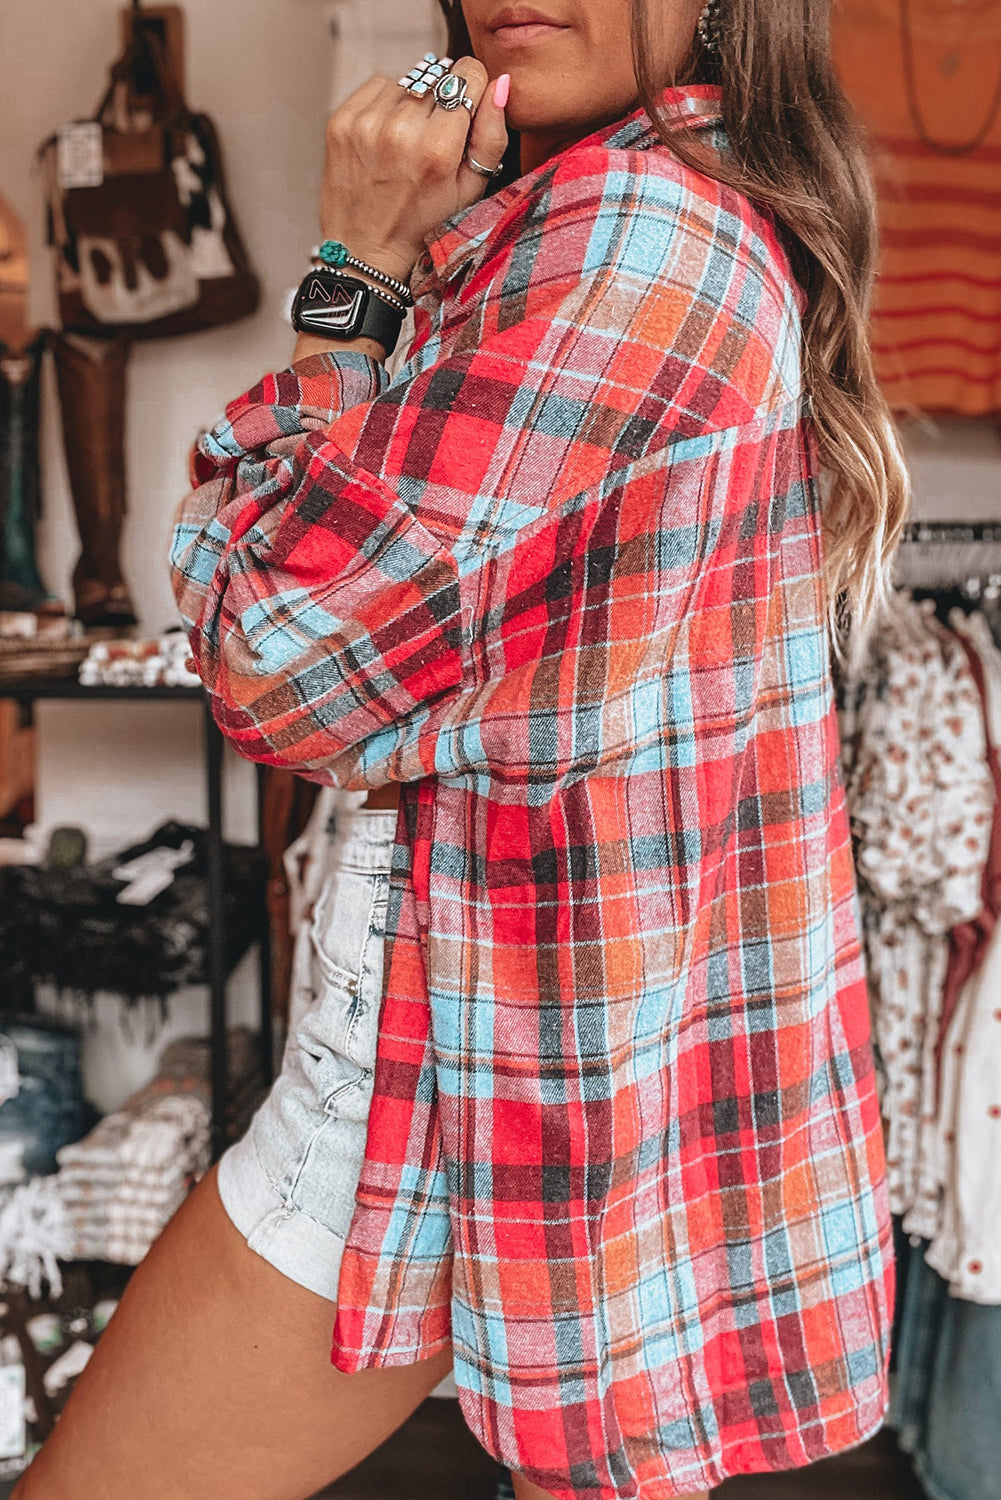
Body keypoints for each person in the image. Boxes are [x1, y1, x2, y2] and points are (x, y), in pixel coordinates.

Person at [15, 1, 908, 1497]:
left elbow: (266, 663)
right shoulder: (622, 212)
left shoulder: (624, 238)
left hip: (428, 1086)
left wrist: (349, 266)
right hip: (537, 1051)